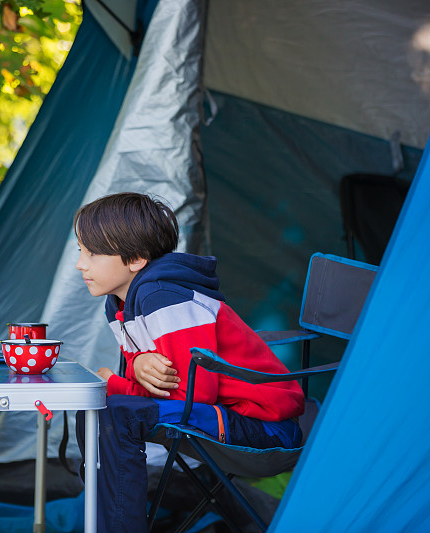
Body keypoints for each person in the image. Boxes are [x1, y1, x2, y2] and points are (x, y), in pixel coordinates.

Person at [73, 192, 304, 533]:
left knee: (115, 410)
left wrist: (119, 382)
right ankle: (100, 521)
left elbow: (194, 395)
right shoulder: (118, 304)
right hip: (219, 413)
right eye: (81, 251)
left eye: (92, 253)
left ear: (136, 258)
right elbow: (157, 382)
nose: (81, 263)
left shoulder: (164, 297)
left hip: (267, 429)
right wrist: (134, 371)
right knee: (94, 405)